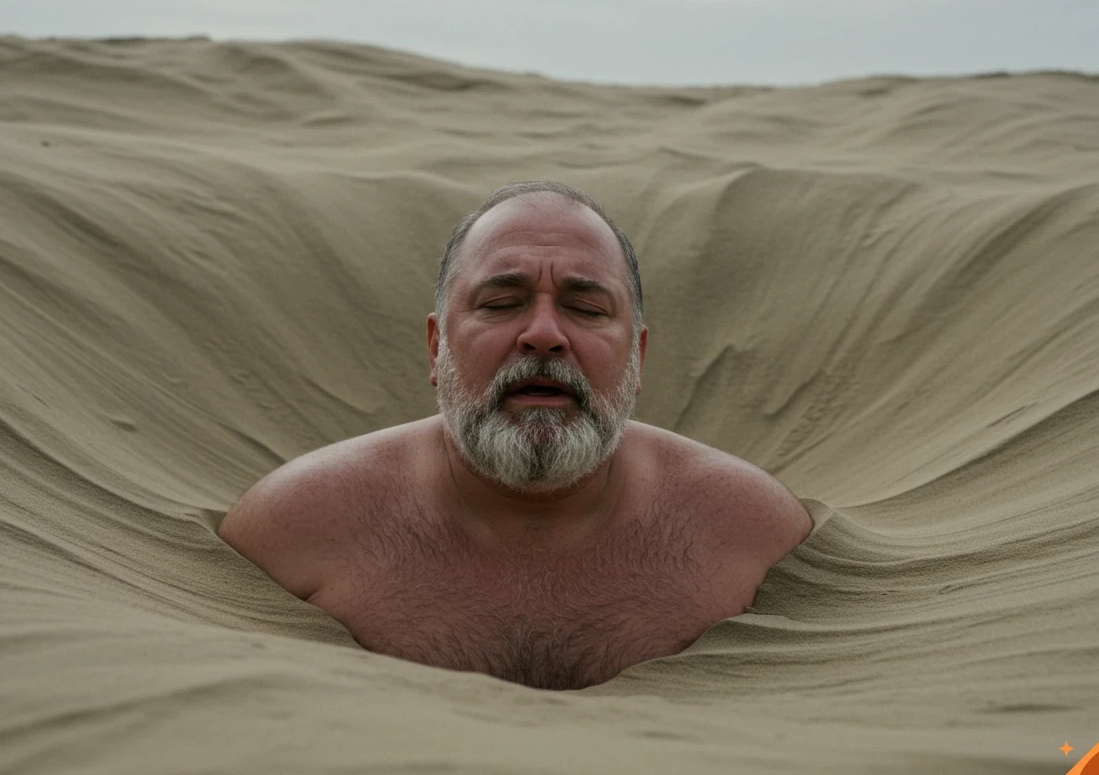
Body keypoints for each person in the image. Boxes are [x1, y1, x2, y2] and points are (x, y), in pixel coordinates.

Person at [218, 181, 813, 690]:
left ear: (638, 355)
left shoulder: (752, 535)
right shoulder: (295, 528)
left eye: (586, 308)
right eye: (502, 303)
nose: (545, 334)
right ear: (436, 346)